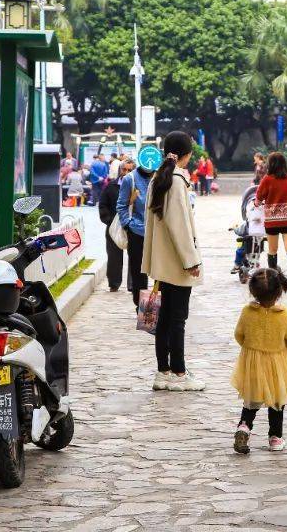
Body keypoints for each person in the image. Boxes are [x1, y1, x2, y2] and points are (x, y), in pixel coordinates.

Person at [143, 130, 205, 393]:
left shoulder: (158, 178)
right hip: (177, 262)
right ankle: (179, 372)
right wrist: (190, 260)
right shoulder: (176, 181)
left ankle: (163, 372)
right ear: (187, 155)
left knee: (164, 319)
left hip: (161, 263)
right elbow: (179, 226)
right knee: (177, 319)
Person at [231, 268, 287, 454]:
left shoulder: (247, 312)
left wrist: (249, 347)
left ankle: (244, 427)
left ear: (253, 291)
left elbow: (239, 334)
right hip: (277, 363)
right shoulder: (283, 315)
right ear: (279, 292)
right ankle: (275, 438)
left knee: (251, 399)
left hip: (252, 362)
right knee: (277, 400)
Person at [256, 151, 287, 288]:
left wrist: (258, 202)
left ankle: (274, 279)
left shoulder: (267, 179)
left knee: (273, 249)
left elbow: (259, 197)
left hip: (273, 220)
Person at [117, 154, 154, 310]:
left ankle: (159, 306)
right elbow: (121, 205)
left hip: (157, 232)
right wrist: (128, 224)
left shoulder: (160, 177)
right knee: (139, 272)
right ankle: (141, 306)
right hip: (137, 232)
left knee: (160, 272)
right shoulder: (130, 179)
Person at [100, 158, 135, 293]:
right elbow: (103, 205)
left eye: (129, 170)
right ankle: (114, 283)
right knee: (114, 257)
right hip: (113, 228)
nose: (126, 172)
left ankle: (132, 284)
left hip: (133, 227)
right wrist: (109, 221)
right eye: (124, 169)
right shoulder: (111, 187)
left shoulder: (138, 186)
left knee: (135, 256)